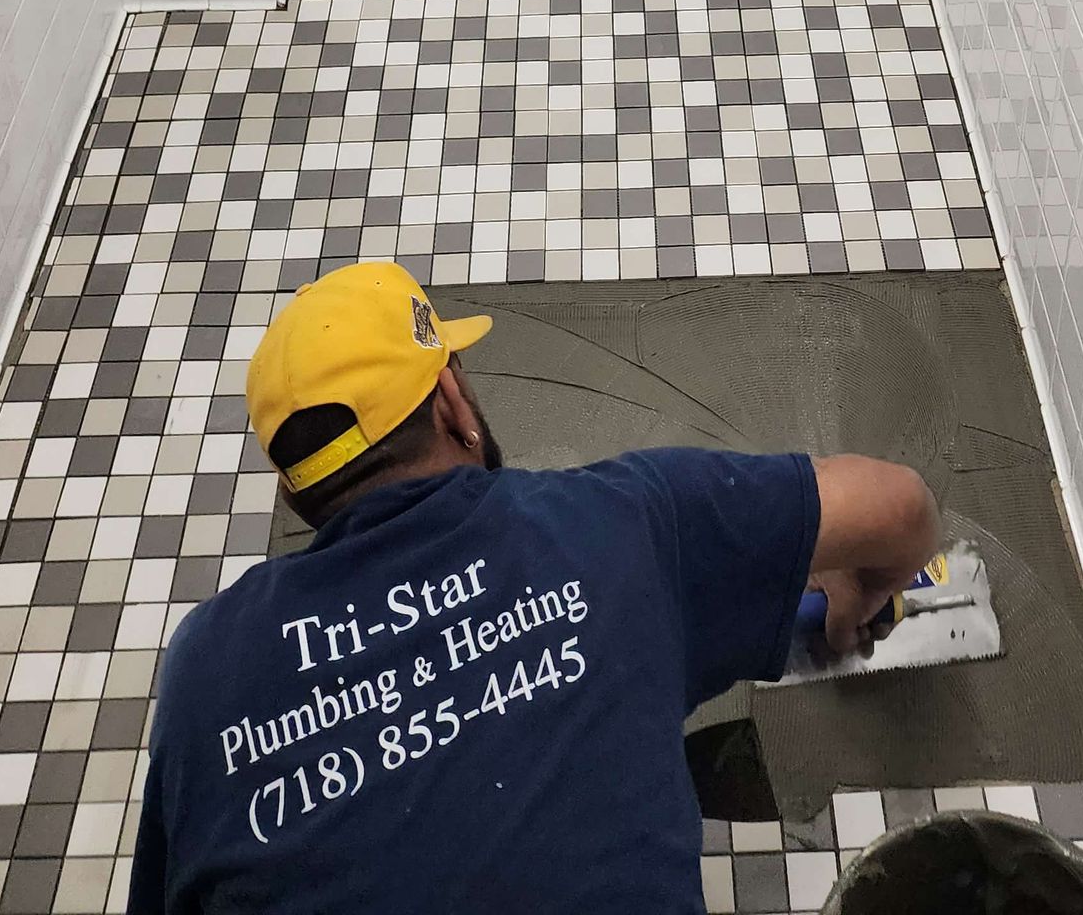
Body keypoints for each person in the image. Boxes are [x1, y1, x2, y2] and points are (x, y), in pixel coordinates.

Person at [126, 260, 942, 915]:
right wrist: (854, 596)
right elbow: (900, 508)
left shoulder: (204, 668)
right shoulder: (620, 521)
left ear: (296, 492)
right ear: (453, 402)